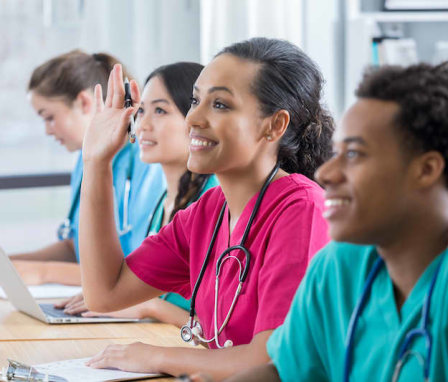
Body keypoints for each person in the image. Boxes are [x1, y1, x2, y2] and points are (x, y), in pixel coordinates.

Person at [79, 38, 332, 380]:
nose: (194, 117)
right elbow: (104, 293)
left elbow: (270, 362)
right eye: (197, 100)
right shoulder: (208, 212)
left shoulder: (302, 209)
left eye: (221, 105)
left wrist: (155, 357)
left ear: (274, 125)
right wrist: (96, 162)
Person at [224, 63, 448, 382]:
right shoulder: (339, 266)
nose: (325, 173)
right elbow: (284, 373)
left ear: (426, 170)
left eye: (354, 155)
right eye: (335, 153)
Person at [10, 50, 165, 286]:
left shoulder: (149, 164)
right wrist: (11, 265)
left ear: (83, 102)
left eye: (49, 117)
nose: (47, 131)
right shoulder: (86, 162)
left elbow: (134, 269)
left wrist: (44, 272)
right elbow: (79, 247)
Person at [82, 62, 219, 327]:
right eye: (141, 111)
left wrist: (151, 307)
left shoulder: (214, 201)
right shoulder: (164, 202)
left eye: (160, 110)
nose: (142, 124)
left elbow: (223, 330)